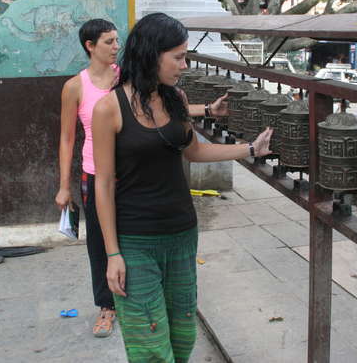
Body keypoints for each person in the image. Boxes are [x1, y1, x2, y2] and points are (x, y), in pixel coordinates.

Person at [92, 12, 272, 362]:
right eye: (177, 56)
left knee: (182, 332)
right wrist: (112, 254)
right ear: (150, 54)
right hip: (135, 239)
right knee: (149, 342)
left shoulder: (175, 99)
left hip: (181, 233)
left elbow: (195, 150)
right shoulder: (108, 109)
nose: (184, 64)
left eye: (184, 55)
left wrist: (250, 149)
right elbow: (102, 185)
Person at [55, 19, 228, 339]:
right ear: (89, 46)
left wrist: (205, 109)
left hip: (132, 174)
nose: (115, 47)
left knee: (132, 242)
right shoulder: (75, 87)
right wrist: (64, 186)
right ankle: (107, 307)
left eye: (117, 41)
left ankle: (145, 297)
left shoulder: (128, 78)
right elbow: (67, 138)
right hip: (96, 173)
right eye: (107, 42)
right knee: (101, 243)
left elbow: (161, 106)